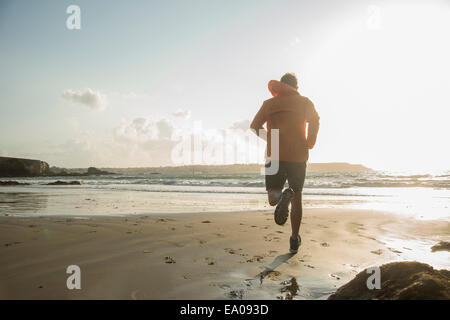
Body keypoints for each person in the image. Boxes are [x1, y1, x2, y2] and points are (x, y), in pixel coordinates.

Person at [250, 72, 320, 253]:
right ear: (296, 88)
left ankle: (281, 197)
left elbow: (254, 126)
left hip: (274, 155)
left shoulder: (269, 104)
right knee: (297, 196)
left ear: (279, 86)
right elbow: (315, 120)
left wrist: (272, 139)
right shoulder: (305, 102)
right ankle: (294, 239)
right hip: (298, 155)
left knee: (272, 198)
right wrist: (310, 142)